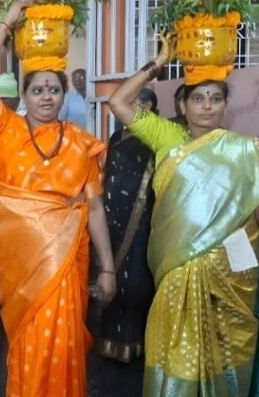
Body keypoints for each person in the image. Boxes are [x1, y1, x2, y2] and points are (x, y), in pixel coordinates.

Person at [107, 33, 259, 397]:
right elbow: (118, 101)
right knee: (177, 353)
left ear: (226, 105)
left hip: (232, 274)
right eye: (198, 98)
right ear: (183, 105)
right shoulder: (167, 138)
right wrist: (158, 64)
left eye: (215, 98)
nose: (207, 107)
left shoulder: (245, 153)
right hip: (178, 271)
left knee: (229, 353)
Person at [0, 0, 117, 396]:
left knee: (63, 343)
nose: (46, 96)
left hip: (65, 263)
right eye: (37, 89)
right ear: (25, 94)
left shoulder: (82, 143)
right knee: (26, 347)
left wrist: (108, 268)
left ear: (64, 95)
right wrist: (6, 23)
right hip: (19, 266)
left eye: (53, 89)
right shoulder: (6, 130)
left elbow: (95, 208)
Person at [95, 88, 158, 364]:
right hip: (113, 217)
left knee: (135, 279)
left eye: (146, 102)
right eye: (135, 101)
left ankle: (136, 342)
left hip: (141, 217)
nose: (139, 106)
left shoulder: (154, 139)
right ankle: (110, 339)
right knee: (112, 277)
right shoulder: (117, 137)